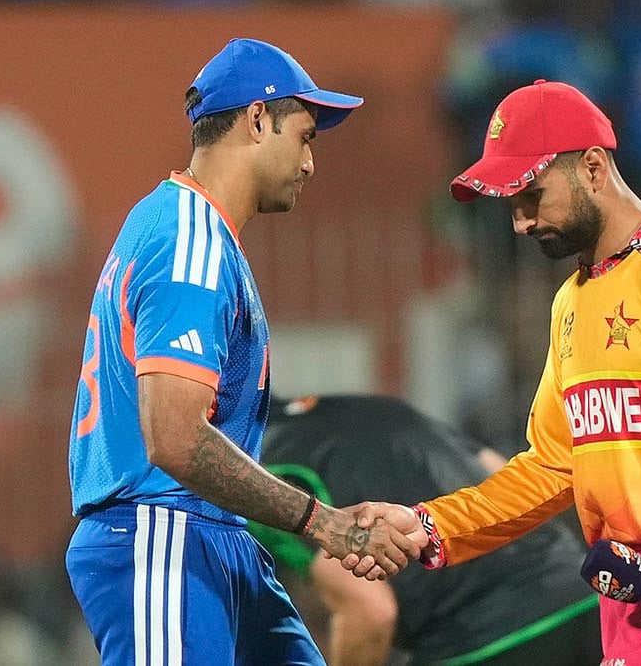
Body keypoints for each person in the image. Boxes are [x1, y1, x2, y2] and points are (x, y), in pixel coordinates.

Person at [64, 38, 424, 666]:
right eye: (306, 136)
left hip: (211, 537)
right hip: (164, 535)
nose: (311, 163)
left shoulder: (190, 232)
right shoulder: (189, 241)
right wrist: (322, 523)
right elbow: (174, 438)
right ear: (259, 120)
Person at [350, 80, 641, 665]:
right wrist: (427, 525)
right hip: (630, 603)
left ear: (592, 167)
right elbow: (550, 466)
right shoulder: (570, 302)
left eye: (531, 195)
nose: (518, 223)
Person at [249, 394, 602, 666]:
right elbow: (500, 472)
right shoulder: (374, 407)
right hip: (582, 598)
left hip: (483, 641)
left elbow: (370, 613)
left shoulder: (264, 482)